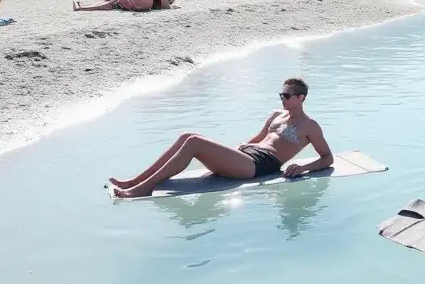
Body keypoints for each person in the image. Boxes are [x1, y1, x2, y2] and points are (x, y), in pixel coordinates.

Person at [107, 78, 332, 198]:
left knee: (194, 142)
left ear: (301, 98)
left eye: (287, 95)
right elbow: (257, 138)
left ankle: (145, 188)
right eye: (281, 94)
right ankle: (135, 181)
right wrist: (237, 149)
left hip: (261, 165)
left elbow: (327, 158)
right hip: (247, 155)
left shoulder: (309, 126)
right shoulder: (276, 115)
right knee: (187, 135)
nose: (282, 98)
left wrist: (303, 168)